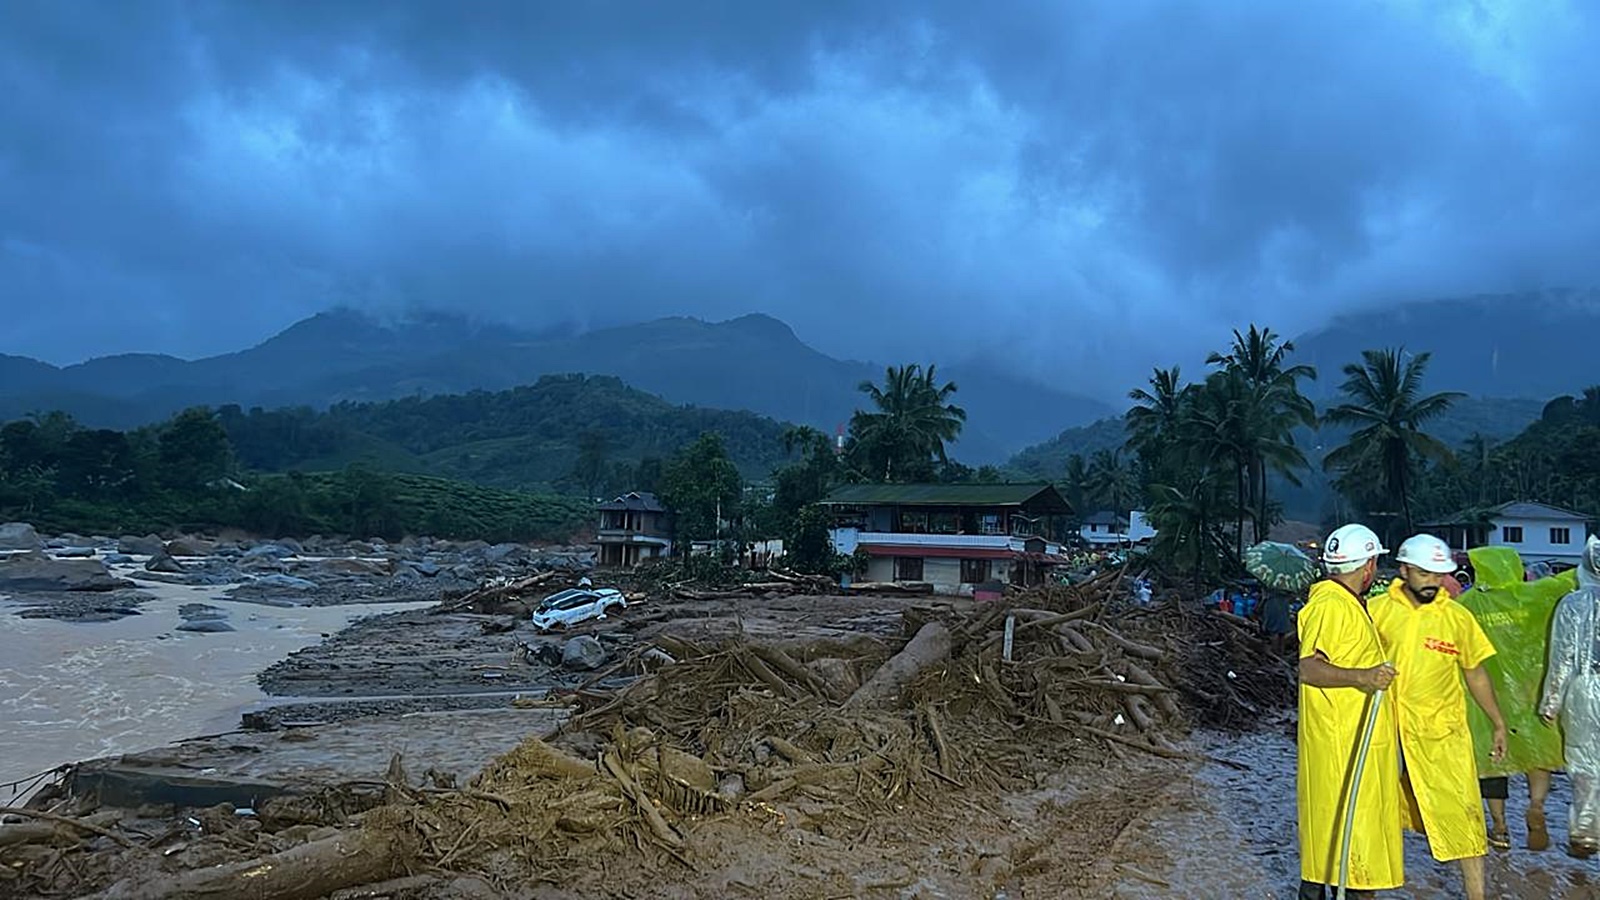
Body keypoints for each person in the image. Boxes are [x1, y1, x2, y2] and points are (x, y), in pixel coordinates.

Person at [1371, 534, 1505, 900]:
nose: (1433, 581)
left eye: (1438, 574)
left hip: (1440, 732)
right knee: (1377, 810)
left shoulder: (1457, 618)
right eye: (1424, 573)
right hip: (1388, 729)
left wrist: (1497, 721)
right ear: (1404, 570)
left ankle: (1476, 896)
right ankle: (1365, 888)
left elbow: (1475, 672)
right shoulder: (1377, 611)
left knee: (1462, 813)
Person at [1297, 523, 1402, 900]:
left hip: (1351, 742)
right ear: (1368, 565)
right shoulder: (1329, 605)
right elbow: (1309, 666)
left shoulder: (1348, 604)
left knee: (1336, 846)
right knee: (1351, 853)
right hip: (1341, 747)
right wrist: (1364, 676)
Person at [1458, 546, 1576, 851]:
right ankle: (1536, 805)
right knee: (1539, 754)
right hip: (1529, 692)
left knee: (1494, 761)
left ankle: (1499, 827)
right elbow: (1569, 580)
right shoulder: (1535, 595)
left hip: (1487, 699)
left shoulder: (1468, 604)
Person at [1540, 536, 1600, 857]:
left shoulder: (1572, 605)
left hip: (1584, 692)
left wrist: (1551, 702)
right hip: (1586, 686)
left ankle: (1586, 834)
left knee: (1584, 765)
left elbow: (1562, 658)